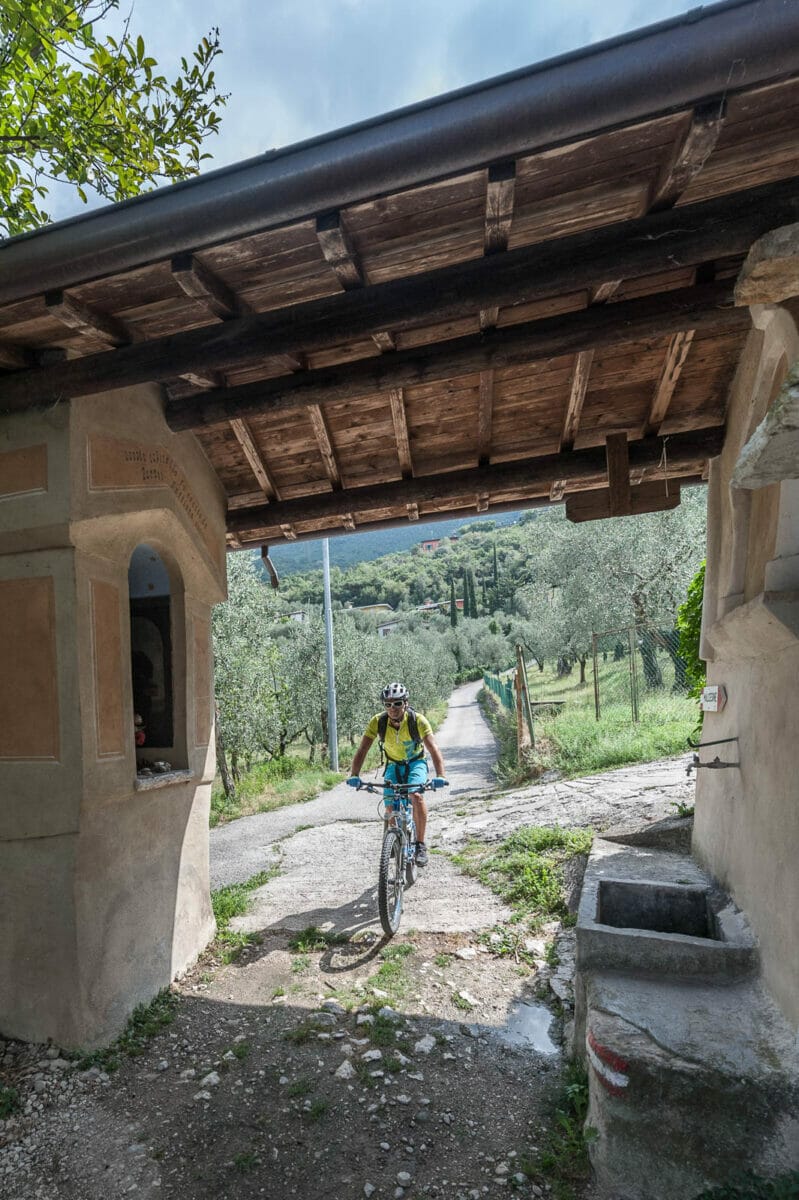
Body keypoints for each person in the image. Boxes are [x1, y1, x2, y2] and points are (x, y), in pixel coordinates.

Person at [346, 681, 448, 867]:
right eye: (388, 704)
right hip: (393, 765)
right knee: (390, 804)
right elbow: (362, 750)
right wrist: (354, 774)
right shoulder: (378, 722)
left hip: (416, 763)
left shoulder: (418, 720)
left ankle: (419, 844)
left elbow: (434, 749)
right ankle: (392, 840)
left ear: (406, 703)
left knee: (416, 796)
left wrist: (440, 776)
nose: (392, 708)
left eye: (397, 703)